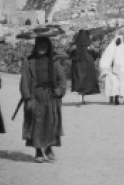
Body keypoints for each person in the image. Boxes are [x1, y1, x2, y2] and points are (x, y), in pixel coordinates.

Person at [19, 27, 66, 162]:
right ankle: (38, 150)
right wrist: (27, 98)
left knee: (50, 123)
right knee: (36, 123)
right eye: (39, 45)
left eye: (44, 45)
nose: (42, 48)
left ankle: (49, 148)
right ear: (36, 46)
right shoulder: (29, 62)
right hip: (35, 96)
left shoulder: (54, 61)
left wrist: (60, 91)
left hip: (51, 96)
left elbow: (62, 79)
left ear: (48, 46)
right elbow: (24, 81)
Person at [67, 29, 100, 104]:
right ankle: (82, 97)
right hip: (87, 65)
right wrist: (92, 50)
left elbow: (69, 54)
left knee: (79, 80)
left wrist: (71, 50)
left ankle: (81, 97)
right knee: (85, 82)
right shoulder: (89, 45)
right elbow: (96, 55)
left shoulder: (75, 45)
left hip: (77, 65)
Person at [98, 33, 124, 106]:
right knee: (116, 85)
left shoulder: (116, 49)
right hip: (117, 71)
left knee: (115, 85)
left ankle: (115, 98)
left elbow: (106, 59)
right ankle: (115, 98)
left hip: (118, 70)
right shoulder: (121, 50)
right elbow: (107, 59)